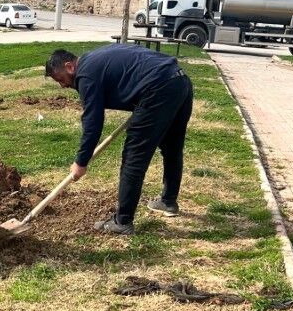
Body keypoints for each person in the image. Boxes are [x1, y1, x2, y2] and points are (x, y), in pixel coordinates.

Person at [44, 44, 193, 235]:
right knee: (172, 148)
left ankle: (122, 221)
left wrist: (81, 162)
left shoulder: (85, 75)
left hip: (157, 87)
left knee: (134, 157)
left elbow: (93, 122)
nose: (63, 85)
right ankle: (168, 201)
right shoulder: (94, 60)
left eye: (60, 79)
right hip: (179, 80)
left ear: (69, 66)